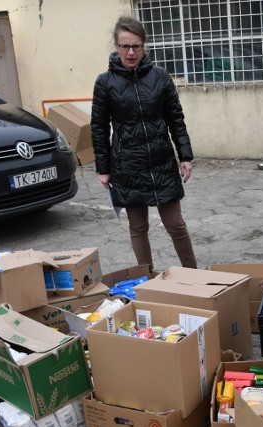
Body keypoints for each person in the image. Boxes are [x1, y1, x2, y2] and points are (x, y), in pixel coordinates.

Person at [91, 16, 197, 270]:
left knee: (176, 224)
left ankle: (195, 276)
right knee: (138, 227)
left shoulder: (160, 76)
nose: (130, 52)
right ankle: (146, 280)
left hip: (161, 162)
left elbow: (176, 118)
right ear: (116, 46)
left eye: (136, 46)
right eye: (124, 46)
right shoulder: (105, 83)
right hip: (128, 165)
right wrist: (103, 168)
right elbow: (98, 127)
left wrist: (185, 156)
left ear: (144, 46)